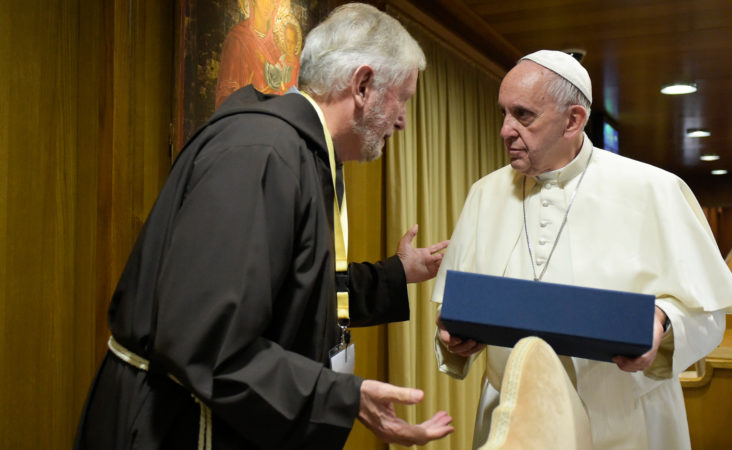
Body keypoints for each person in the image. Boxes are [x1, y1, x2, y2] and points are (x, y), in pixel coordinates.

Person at [75, 4, 454, 449]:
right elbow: (208, 342)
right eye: (403, 98)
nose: (403, 119)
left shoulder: (302, 152)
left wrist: (398, 274)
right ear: (363, 85)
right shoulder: (263, 154)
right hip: (175, 427)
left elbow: (300, 293)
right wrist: (342, 397)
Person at [432, 50, 732, 450]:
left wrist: (661, 322)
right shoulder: (483, 194)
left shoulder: (654, 190)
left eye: (523, 115)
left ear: (574, 120)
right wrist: (453, 337)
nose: (505, 129)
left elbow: (710, 314)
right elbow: (451, 308)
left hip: (625, 420)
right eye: (504, 113)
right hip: (514, 422)